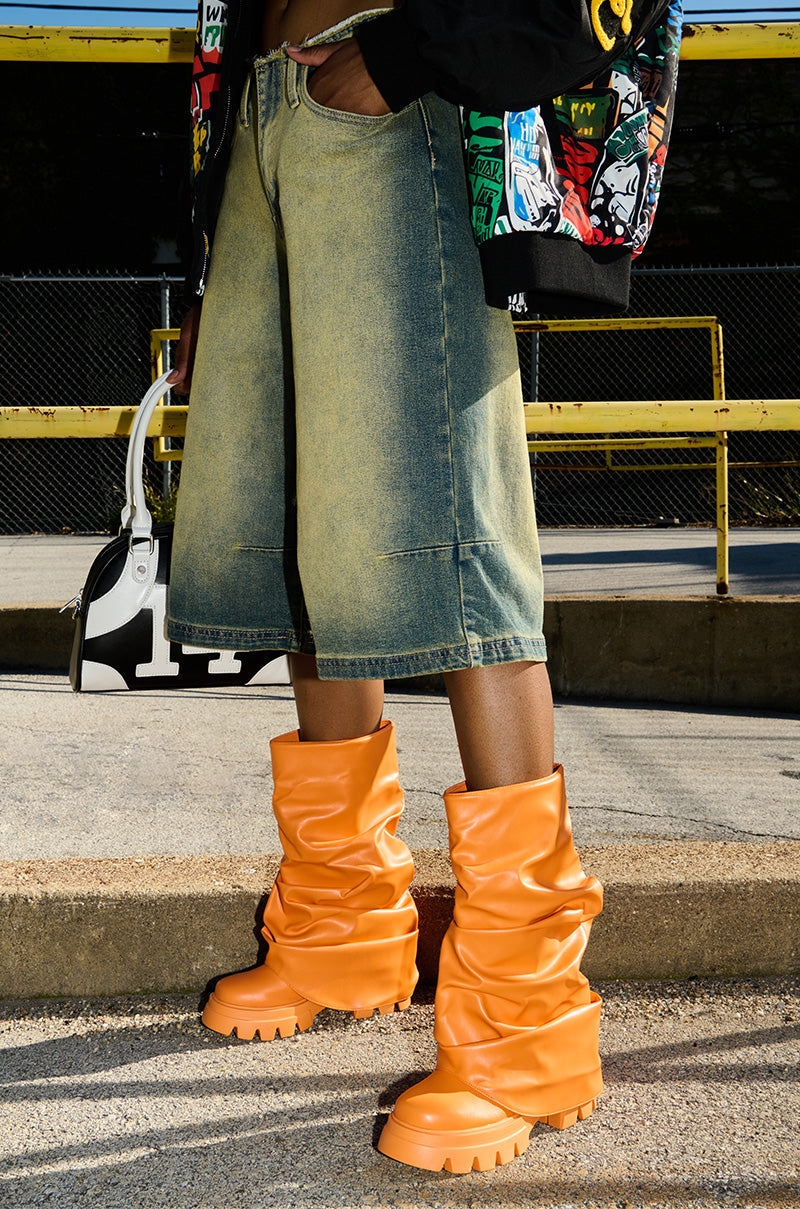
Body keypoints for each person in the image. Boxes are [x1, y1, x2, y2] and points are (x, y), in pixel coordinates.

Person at [166, 0, 678, 1174]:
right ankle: (340, 928)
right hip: (266, 108)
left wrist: (400, 56)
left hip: (402, 96)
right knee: (304, 536)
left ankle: (527, 1033)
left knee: (451, 541)